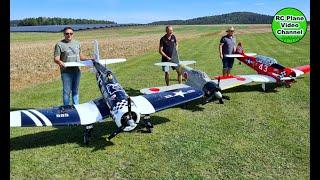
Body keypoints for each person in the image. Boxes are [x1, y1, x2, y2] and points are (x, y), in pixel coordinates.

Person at [54, 27, 94, 105]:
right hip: (66, 72)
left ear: (73, 34)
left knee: (75, 90)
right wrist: (59, 62)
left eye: (71, 33)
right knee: (66, 91)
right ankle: (66, 108)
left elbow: (81, 57)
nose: (69, 35)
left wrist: (90, 59)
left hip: (77, 71)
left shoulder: (77, 43)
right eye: (67, 33)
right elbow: (56, 58)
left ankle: (76, 107)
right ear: (64, 34)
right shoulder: (59, 44)